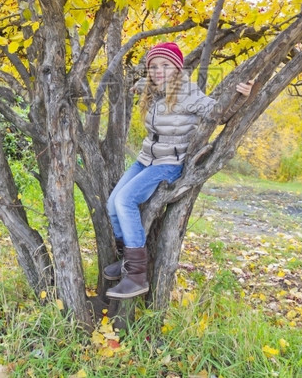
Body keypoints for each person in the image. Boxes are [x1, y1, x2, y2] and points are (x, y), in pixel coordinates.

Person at [104, 42, 254, 299]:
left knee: (126, 200)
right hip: (146, 159)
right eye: (153, 66)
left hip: (168, 164)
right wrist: (136, 85)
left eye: (165, 65)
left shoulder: (188, 92)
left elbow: (218, 113)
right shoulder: (153, 89)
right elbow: (146, 86)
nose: (158, 71)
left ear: (177, 68)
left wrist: (242, 96)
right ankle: (127, 260)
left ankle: (137, 276)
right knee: (111, 204)